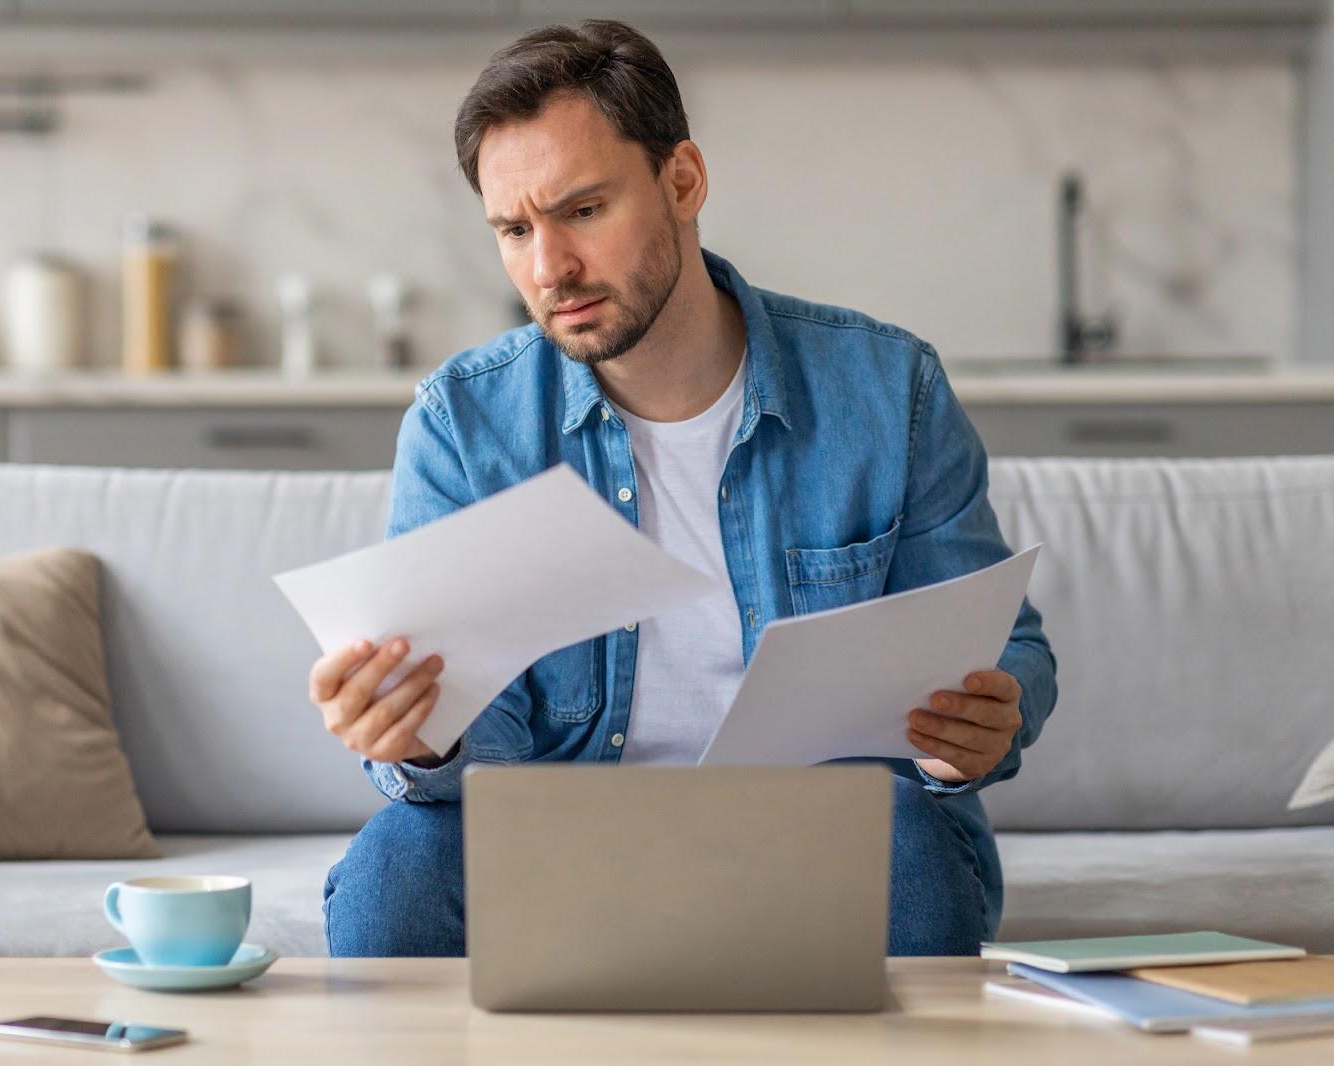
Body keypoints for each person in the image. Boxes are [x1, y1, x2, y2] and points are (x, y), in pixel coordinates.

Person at [313, 19, 1056, 958]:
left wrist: (979, 727)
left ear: (683, 182)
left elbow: (1004, 647)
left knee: (913, 850)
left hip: (818, 831)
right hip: (561, 837)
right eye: (514, 229)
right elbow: (471, 733)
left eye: (582, 210)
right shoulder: (464, 424)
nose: (549, 269)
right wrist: (422, 736)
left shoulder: (885, 389)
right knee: (394, 875)